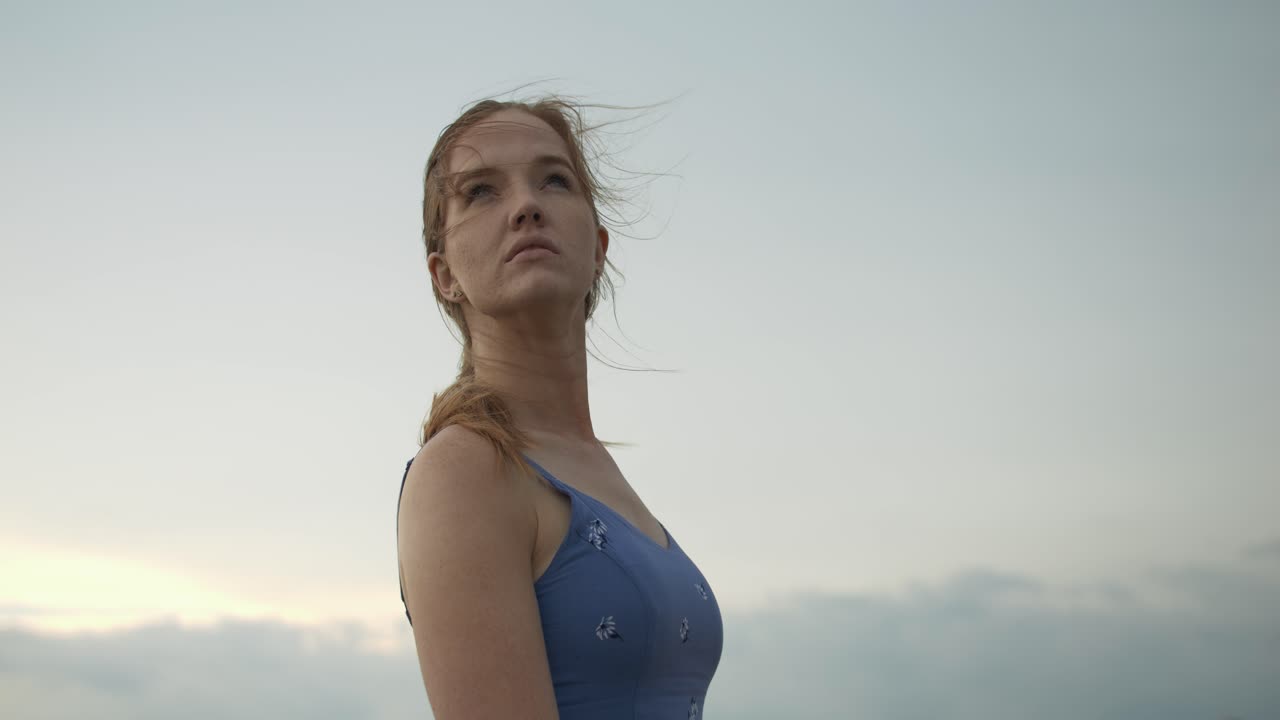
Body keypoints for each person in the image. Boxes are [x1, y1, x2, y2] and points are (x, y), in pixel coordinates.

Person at [395, 96, 724, 719]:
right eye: (481, 192)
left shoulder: (594, 466)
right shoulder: (466, 470)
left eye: (554, 180)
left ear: (598, 248)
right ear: (444, 275)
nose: (526, 206)